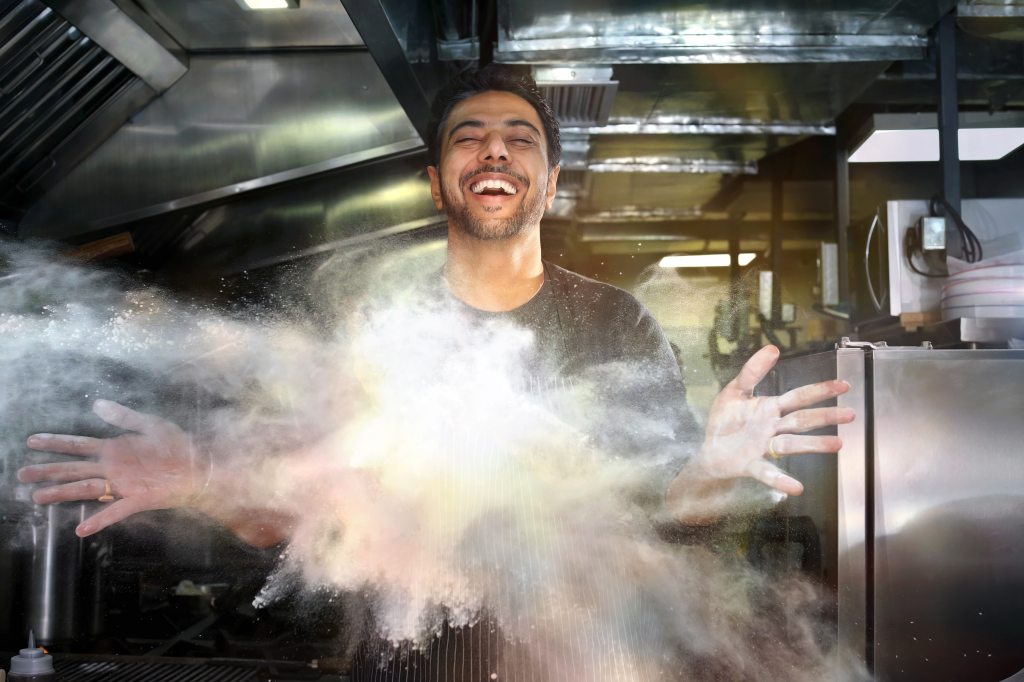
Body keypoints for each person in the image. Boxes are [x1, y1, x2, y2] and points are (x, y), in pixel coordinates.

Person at [18, 65, 854, 679]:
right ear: (435, 182)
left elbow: (666, 508)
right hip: (406, 664)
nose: (495, 149)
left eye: (520, 138)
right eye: (469, 136)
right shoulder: (366, 327)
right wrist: (202, 479)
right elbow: (288, 514)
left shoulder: (614, 322)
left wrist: (711, 468)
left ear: (550, 184)